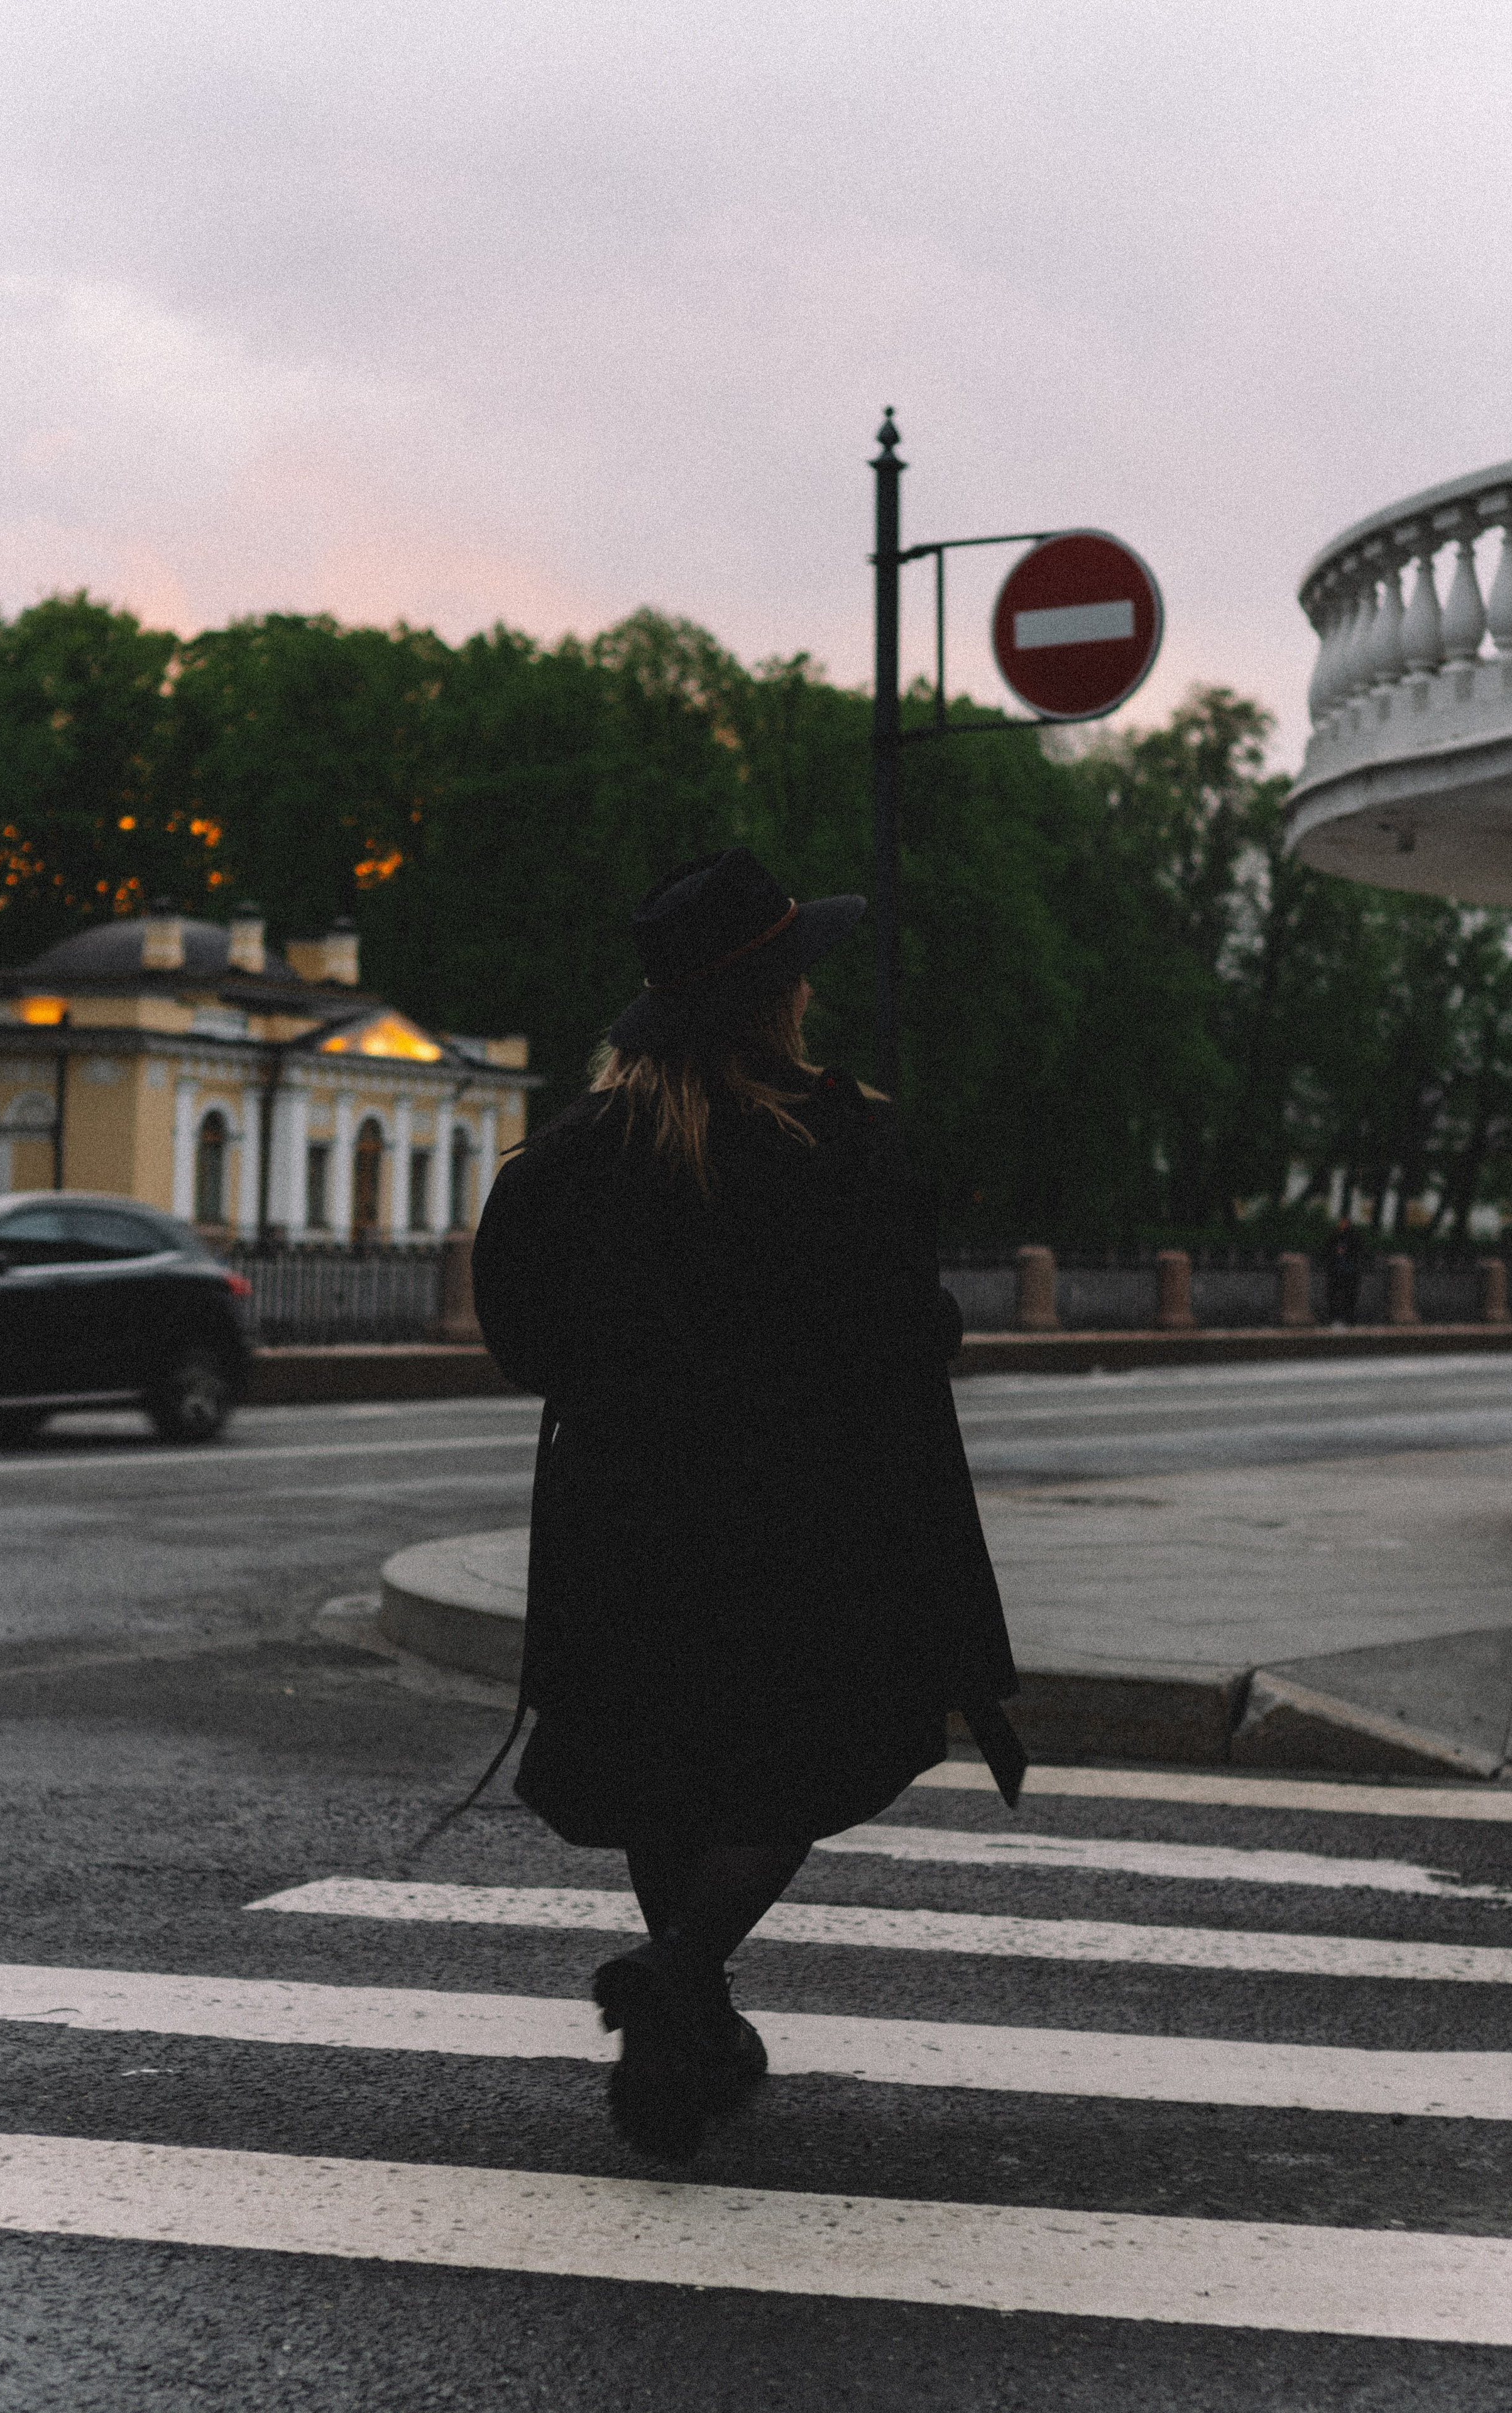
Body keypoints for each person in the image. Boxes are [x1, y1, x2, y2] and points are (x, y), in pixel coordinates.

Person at [469, 848, 1024, 2160]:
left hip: (625, 1525)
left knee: (669, 1770)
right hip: (800, 1524)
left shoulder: (571, 1160)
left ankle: (693, 2033)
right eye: (798, 977)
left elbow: (520, 1339)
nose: (813, 999)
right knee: (811, 1750)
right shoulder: (839, 1145)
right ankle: (681, 1976)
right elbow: (897, 1330)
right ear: (769, 997)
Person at [1323, 1213, 1364, 1325]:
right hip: (1337, 1271)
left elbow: (1358, 1252)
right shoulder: (1335, 1236)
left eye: (1344, 1223)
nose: (1341, 1225)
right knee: (1334, 1296)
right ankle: (1335, 1318)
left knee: (1349, 1296)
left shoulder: (1354, 1237)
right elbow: (1327, 1250)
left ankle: (1349, 1319)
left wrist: (1345, 1252)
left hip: (1350, 1271)